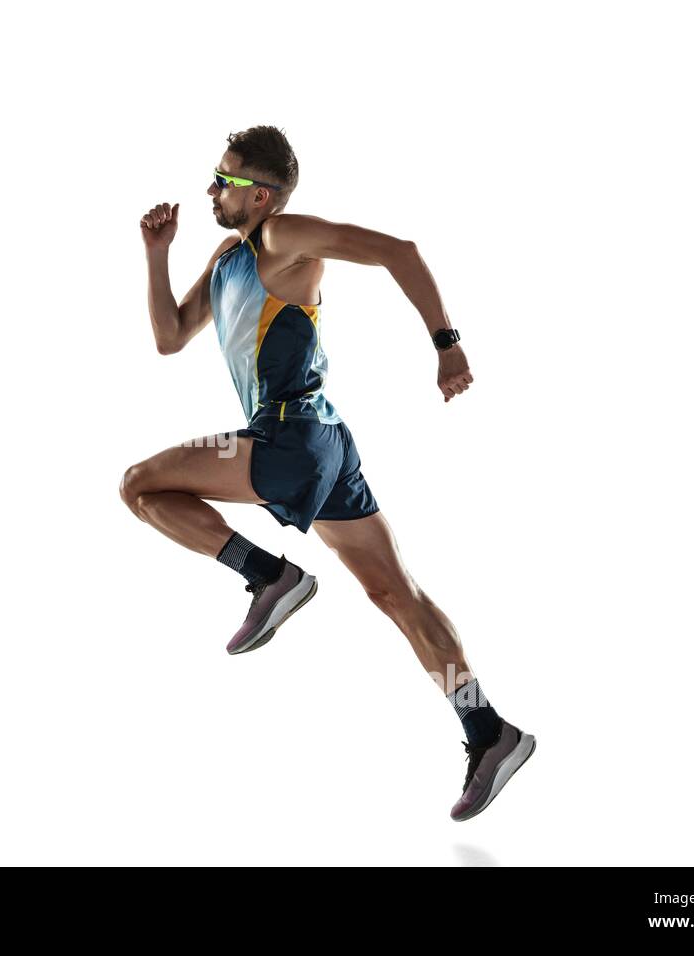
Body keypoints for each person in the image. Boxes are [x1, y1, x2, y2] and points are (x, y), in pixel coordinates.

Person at [121, 125, 535, 821]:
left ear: (264, 196)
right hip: (324, 445)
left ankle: (268, 575)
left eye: (225, 180)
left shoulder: (284, 237)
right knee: (396, 594)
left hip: (289, 437)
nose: (212, 190)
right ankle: (487, 729)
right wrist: (155, 256)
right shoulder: (230, 255)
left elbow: (398, 252)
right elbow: (169, 337)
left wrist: (447, 345)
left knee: (141, 484)